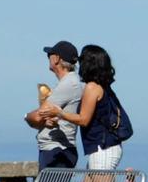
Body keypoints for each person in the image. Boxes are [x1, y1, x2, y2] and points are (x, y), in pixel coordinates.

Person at [46, 45, 130, 173]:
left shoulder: (92, 87)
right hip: (105, 147)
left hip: (102, 148)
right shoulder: (103, 87)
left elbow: (84, 119)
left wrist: (59, 113)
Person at [27, 40, 84, 173]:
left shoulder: (68, 84)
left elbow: (36, 117)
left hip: (56, 149)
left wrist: (26, 116)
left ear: (57, 59)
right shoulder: (74, 82)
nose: (48, 58)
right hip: (60, 149)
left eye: (50, 55)